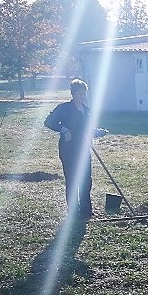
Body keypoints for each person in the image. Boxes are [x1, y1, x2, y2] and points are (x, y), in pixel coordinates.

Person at [44, 79, 107, 220]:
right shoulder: (64, 108)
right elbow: (48, 122)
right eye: (79, 94)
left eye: (84, 94)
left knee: (86, 180)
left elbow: (87, 129)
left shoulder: (87, 111)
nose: (82, 96)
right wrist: (64, 130)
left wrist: (98, 132)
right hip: (69, 150)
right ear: (73, 94)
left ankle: (85, 211)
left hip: (84, 150)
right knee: (72, 180)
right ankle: (73, 211)